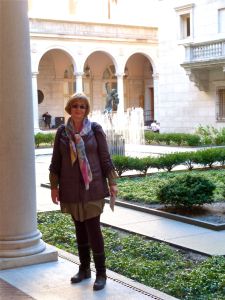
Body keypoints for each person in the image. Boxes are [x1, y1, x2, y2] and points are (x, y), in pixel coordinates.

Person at [49, 92, 118, 291]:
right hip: (70, 187)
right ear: (69, 108)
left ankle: (101, 273)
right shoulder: (62, 132)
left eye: (82, 106)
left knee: (93, 229)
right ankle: (84, 269)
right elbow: (56, 162)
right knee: (79, 228)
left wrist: (112, 182)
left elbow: (105, 158)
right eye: (75, 105)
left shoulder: (95, 129)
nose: (78, 109)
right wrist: (54, 186)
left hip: (93, 187)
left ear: (86, 110)